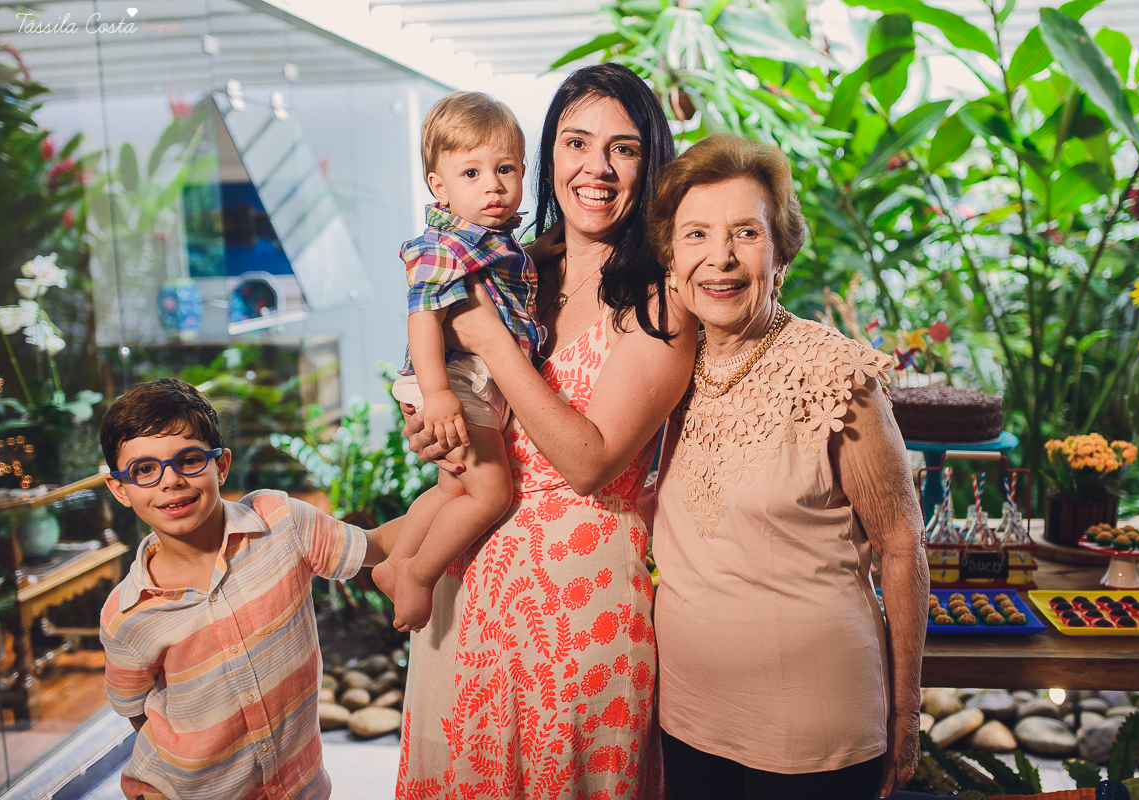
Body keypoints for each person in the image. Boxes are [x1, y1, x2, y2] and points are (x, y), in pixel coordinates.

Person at [394, 63, 695, 799]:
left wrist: (492, 341)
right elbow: (464, 411)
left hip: (583, 601)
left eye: (622, 149)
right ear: (548, 159)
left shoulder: (661, 300)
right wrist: (435, 431)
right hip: (471, 588)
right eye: (575, 142)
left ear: (648, 163)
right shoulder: (514, 268)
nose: (595, 167)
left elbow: (590, 462)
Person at [644, 135, 929, 800]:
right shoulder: (664, 366)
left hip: (815, 733)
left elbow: (901, 541)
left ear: (779, 255)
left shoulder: (835, 373)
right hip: (686, 719)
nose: (720, 257)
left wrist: (908, 712)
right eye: (696, 235)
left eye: (746, 232)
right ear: (671, 258)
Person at [98, 378, 400, 800]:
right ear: (120, 489)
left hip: (301, 787)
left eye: (188, 460)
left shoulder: (282, 523)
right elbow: (137, 713)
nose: (170, 481)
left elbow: (382, 544)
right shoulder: (126, 614)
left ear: (221, 466)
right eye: (144, 470)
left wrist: (461, 492)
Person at [376, 92, 543, 633]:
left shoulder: (488, 240)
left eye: (506, 169)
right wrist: (439, 392)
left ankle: (395, 562)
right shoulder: (442, 245)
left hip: (458, 380)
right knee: (492, 491)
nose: (493, 185)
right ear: (439, 186)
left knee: (453, 488)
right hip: (450, 378)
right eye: (471, 172)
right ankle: (419, 576)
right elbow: (422, 315)